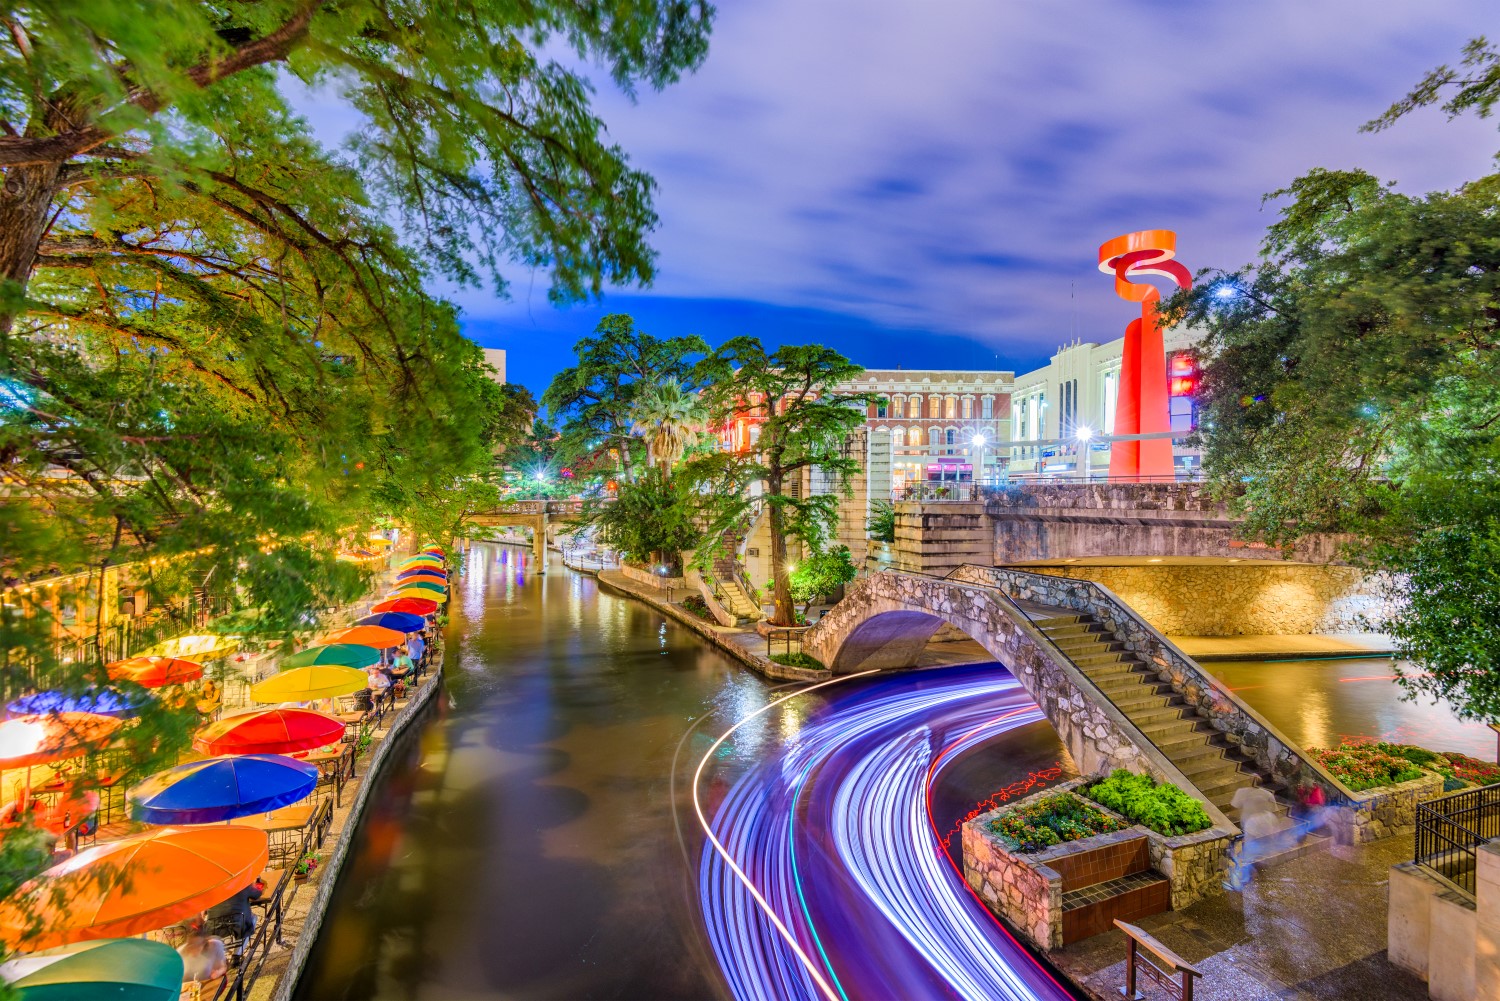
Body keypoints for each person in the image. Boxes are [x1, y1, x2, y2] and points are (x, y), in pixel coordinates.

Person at [178, 915, 228, 983]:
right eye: (191, 945)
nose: (194, 949)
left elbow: (223, 967)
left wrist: (217, 973)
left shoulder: (215, 946)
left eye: (198, 946)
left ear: (204, 942)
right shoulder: (180, 953)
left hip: (207, 984)